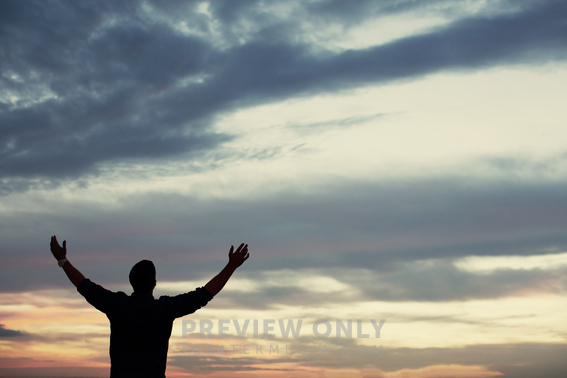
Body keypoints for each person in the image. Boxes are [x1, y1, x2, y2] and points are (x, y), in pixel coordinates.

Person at [49, 235, 249, 378]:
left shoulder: (116, 305)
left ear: (130, 282)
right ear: (154, 283)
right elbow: (204, 294)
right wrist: (231, 266)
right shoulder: (165, 309)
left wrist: (62, 260)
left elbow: (83, 285)